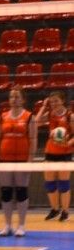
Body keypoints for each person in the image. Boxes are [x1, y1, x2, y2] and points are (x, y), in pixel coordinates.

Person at [0, 86, 38, 237]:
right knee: (6, 192)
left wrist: (30, 159)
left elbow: (33, 139)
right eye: (11, 97)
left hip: (22, 159)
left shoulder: (29, 117)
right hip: (5, 159)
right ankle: (7, 225)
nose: (14, 99)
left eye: (17, 97)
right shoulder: (2, 117)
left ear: (23, 100)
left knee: (21, 191)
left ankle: (21, 225)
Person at [35, 90, 73, 222]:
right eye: (51, 102)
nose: (54, 104)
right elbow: (35, 122)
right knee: (50, 183)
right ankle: (55, 209)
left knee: (63, 184)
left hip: (65, 153)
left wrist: (67, 143)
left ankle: (65, 212)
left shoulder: (70, 116)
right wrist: (43, 107)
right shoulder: (50, 114)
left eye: (56, 101)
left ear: (63, 101)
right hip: (50, 152)